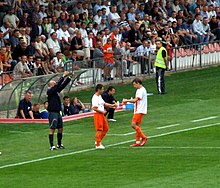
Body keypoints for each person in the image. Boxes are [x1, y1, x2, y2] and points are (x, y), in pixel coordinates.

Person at [47, 71, 72, 150]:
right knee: (52, 129)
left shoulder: (56, 91)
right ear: (51, 85)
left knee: (60, 128)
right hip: (53, 112)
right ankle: (52, 145)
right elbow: (58, 85)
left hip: (58, 112)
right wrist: (63, 76)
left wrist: (69, 78)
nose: (55, 84)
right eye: (53, 84)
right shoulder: (50, 91)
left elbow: (62, 85)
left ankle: (59, 144)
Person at [123, 78, 147, 147]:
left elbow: (136, 100)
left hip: (139, 110)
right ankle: (137, 141)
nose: (134, 86)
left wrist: (127, 100)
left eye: (134, 84)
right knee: (137, 126)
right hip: (139, 109)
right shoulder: (141, 90)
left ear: (138, 83)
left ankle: (144, 137)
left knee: (133, 125)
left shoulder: (140, 90)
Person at [92, 84, 117, 149]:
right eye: (102, 89)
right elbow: (94, 108)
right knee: (99, 129)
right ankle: (98, 144)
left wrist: (112, 105)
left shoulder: (99, 96)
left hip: (101, 114)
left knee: (106, 128)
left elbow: (104, 104)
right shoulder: (95, 98)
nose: (103, 90)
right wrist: (102, 111)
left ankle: (98, 140)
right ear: (98, 89)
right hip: (98, 114)